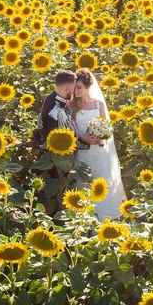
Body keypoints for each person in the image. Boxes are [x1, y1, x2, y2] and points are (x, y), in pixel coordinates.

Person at [70, 68, 127, 220]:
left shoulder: (98, 105)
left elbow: (105, 127)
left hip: (99, 151)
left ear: (88, 87)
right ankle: (86, 218)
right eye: (75, 87)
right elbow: (72, 129)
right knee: (85, 183)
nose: (76, 91)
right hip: (82, 151)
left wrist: (101, 136)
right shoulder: (72, 106)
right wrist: (84, 137)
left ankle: (105, 218)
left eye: (80, 87)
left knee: (103, 182)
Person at [31, 70, 83, 216]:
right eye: (73, 89)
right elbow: (53, 138)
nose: (74, 92)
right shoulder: (54, 108)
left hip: (61, 156)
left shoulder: (56, 99)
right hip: (55, 161)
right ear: (67, 89)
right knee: (53, 193)